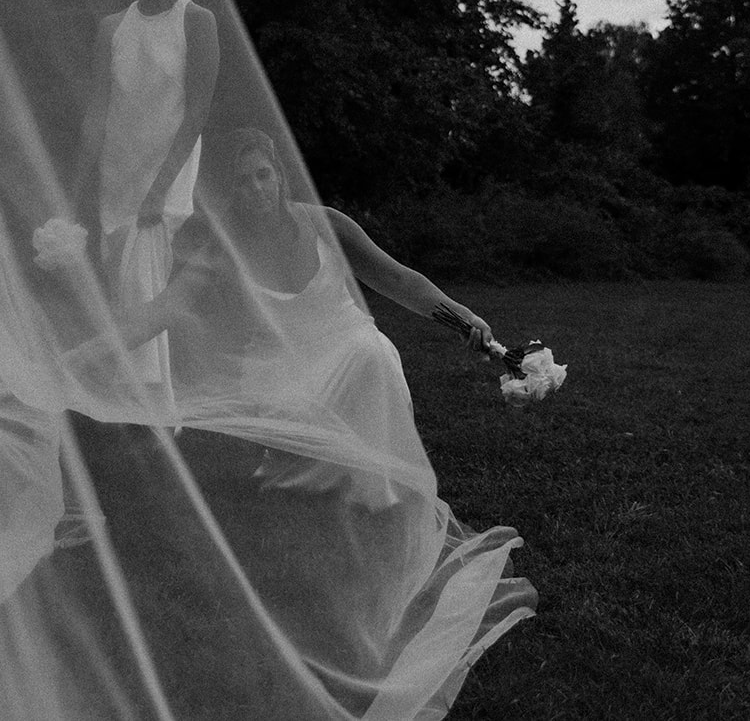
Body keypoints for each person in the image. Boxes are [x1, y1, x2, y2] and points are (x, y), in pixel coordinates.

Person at [73, 126, 491, 510]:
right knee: (291, 426)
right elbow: (160, 312)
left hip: (347, 347)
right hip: (280, 366)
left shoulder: (326, 224)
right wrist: (83, 355)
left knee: (373, 352)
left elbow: (400, 280)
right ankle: (307, 484)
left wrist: (463, 317)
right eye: (243, 181)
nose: (256, 188)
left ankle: (378, 492)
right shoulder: (224, 250)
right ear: (231, 193)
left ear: (279, 176)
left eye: (263, 175)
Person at [76, 0, 219, 407]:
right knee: (123, 283)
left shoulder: (196, 20)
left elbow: (197, 111)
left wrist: (160, 188)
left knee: (145, 283)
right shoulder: (112, 27)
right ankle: (130, 401)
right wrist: (78, 182)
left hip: (169, 170)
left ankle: (154, 405)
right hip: (118, 174)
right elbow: (98, 110)